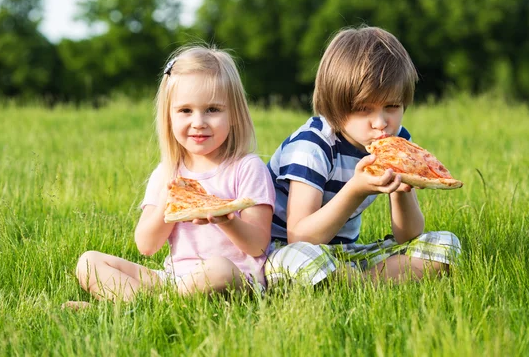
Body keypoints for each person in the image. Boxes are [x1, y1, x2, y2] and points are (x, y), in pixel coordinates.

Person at [64, 46, 275, 308]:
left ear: (233, 114)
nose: (199, 121)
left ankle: (132, 307)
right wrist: (170, 197)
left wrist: (226, 220)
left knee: (218, 268)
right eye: (185, 110)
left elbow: (257, 246)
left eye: (212, 109)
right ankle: (148, 305)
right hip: (174, 279)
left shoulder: (247, 167)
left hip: (235, 278)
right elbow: (147, 245)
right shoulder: (166, 172)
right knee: (89, 262)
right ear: (169, 116)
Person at [264, 26, 461, 288]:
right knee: (298, 259)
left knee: (446, 245)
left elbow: (409, 235)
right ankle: (361, 281)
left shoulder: (397, 142)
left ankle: (356, 282)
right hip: (287, 250)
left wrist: (403, 190)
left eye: (392, 106)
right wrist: (355, 189)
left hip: (346, 253)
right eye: (363, 109)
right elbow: (300, 236)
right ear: (333, 106)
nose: (381, 123)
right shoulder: (312, 146)